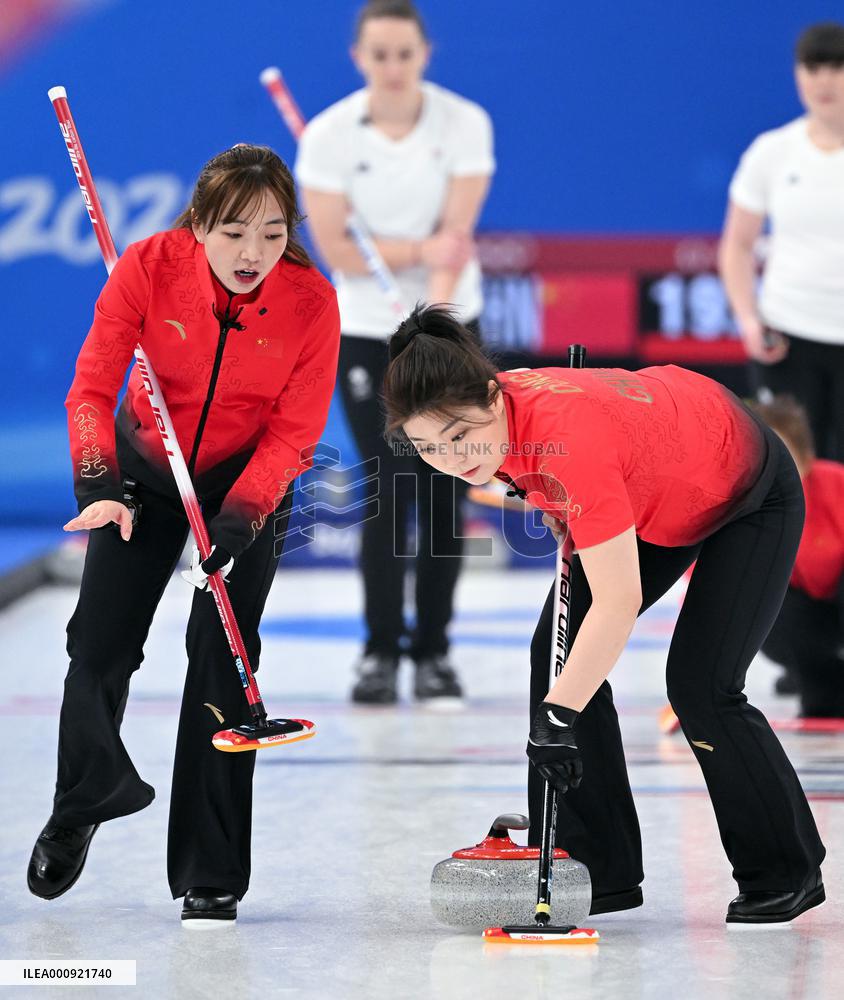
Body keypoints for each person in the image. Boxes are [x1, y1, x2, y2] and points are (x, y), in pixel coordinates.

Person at [381, 304, 826, 925]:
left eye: (459, 436)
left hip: (746, 489)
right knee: (557, 656)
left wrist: (556, 719)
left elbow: (617, 604)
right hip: (659, 486)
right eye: (428, 447)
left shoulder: (569, 444)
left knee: (702, 687)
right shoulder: (499, 419)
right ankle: (600, 868)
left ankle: (786, 870)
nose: (452, 459)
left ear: (492, 395)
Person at [26, 144, 341, 924]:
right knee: (99, 645)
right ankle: (82, 802)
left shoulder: (311, 303)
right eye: (234, 232)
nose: (253, 253)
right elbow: (92, 385)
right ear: (199, 225)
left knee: (223, 658)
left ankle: (211, 868)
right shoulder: (147, 266)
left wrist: (237, 522)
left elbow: (295, 435)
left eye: (272, 233)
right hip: (142, 471)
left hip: (245, 484)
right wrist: (100, 486)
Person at [295, 0, 495, 705]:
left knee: (445, 492)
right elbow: (338, 250)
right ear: (358, 57)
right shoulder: (327, 135)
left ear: (424, 53)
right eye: (378, 55)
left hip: (445, 325)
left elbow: (456, 237)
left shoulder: (464, 123)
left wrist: (431, 325)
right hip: (364, 330)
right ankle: (378, 652)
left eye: (403, 54)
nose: (391, 67)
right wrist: (411, 252)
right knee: (387, 487)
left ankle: (434, 653)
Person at [719, 21, 844, 461]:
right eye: (812, 68)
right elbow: (737, 244)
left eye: (835, 67)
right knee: (791, 469)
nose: (823, 80)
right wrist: (749, 320)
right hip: (789, 338)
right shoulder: (772, 152)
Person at [750, 396, 844, 717]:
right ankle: (818, 677)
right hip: (801, 623)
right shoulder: (735, 510)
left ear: (805, 456)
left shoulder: (837, 485)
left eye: (783, 455)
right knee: (759, 600)